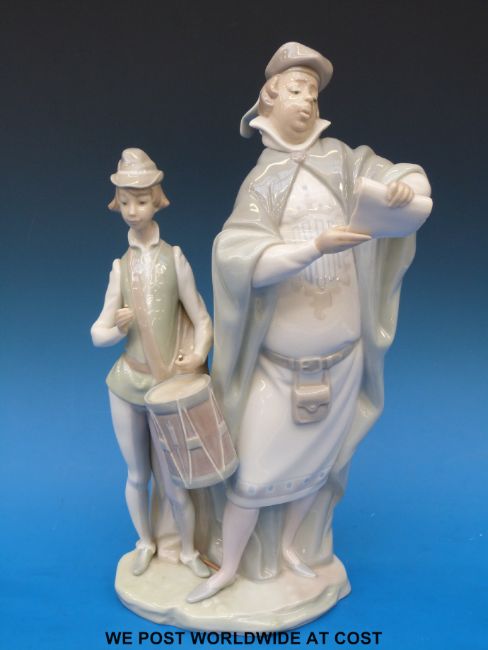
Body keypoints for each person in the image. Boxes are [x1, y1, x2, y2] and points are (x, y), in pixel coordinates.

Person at [187, 42, 431, 603]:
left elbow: (407, 178)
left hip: (343, 357)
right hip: (281, 366)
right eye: (296, 90)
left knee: (320, 465)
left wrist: (404, 187)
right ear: (268, 100)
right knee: (253, 475)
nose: (306, 101)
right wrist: (311, 248)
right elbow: (237, 257)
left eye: (313, 93)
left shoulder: (343, 162)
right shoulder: (262, 184)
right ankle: (230, 567)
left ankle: (295, 549)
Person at [91, 148, 212, 578]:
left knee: (175, 480)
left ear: (157, 201)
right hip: (127, 384)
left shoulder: (174, 258)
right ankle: (145, 541)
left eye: (141, 201)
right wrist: (116, 329)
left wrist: (197, 355)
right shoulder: (119, 268)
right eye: (125, 202)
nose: (132, 210)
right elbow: (97, 333)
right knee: (137, 475)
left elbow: (202, 319)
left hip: (166, 389)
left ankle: (189, 552)